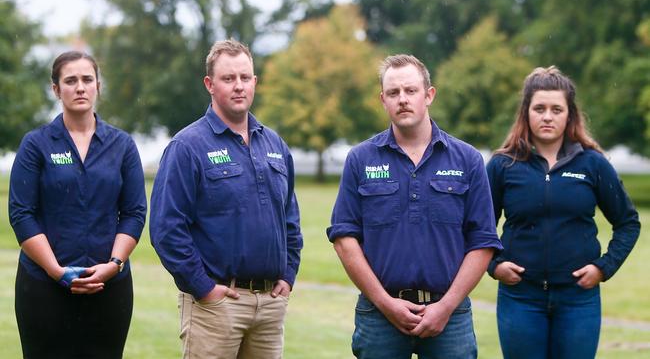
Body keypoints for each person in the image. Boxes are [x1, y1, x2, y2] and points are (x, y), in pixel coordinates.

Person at [327, 54, 503, 358]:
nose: (402, 99)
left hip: (451, 317)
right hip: (379, 315)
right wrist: (385, 303)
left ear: (429, 95)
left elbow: (483, 241)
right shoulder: (361, 159)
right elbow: (345, 239)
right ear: (383, 100)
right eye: (393, 93)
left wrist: (445, 307)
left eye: (411, 91)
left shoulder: (467, 160)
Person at [149, 39, 303, 359]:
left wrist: (288, 275)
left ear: (255, 82)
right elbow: (167, 228)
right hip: (216, 304)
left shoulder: (274, 144)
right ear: (210, 84)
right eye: (228, 78)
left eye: (245, 78)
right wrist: (202, 288)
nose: (238, 86)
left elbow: (289, 218)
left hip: (270, 305)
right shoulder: (187, 146)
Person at [486, 66, 641, 359]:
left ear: (569, 114)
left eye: (556, 109)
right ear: (526, 113)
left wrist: (603, 267)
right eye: (539, 108)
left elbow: (628, 223)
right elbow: (477, 226)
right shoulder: (502, 166)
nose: (547, 116)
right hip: (520, 298)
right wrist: (494, 265)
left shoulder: (593, 164)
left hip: (578, 301)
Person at [8, 51, 147, 358]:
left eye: (87, 80)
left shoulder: (122, 145)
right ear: (56, 89)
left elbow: (135, 212)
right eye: (70, 81)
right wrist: (57, 271)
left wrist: (113, 265)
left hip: (109, 288)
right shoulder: (36, 144)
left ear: (98, 85)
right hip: (43, 288)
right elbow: (21, 214)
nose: (80, 87)